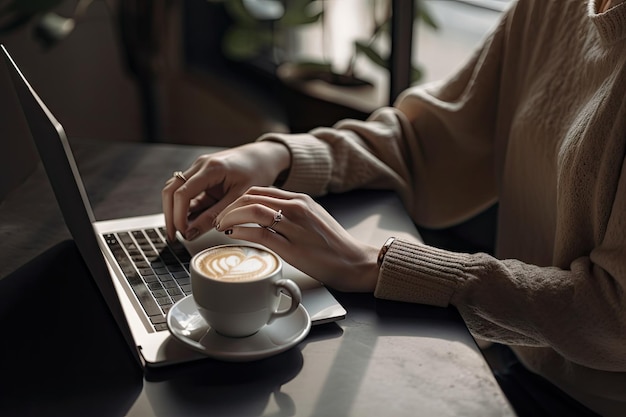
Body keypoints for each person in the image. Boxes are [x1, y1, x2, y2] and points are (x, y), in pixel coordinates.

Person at [162, 0, 626, 415]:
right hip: (519, 355)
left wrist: (375, 262)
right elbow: (426, 142)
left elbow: (614, 317)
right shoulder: (550, 9)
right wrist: (282, 155)